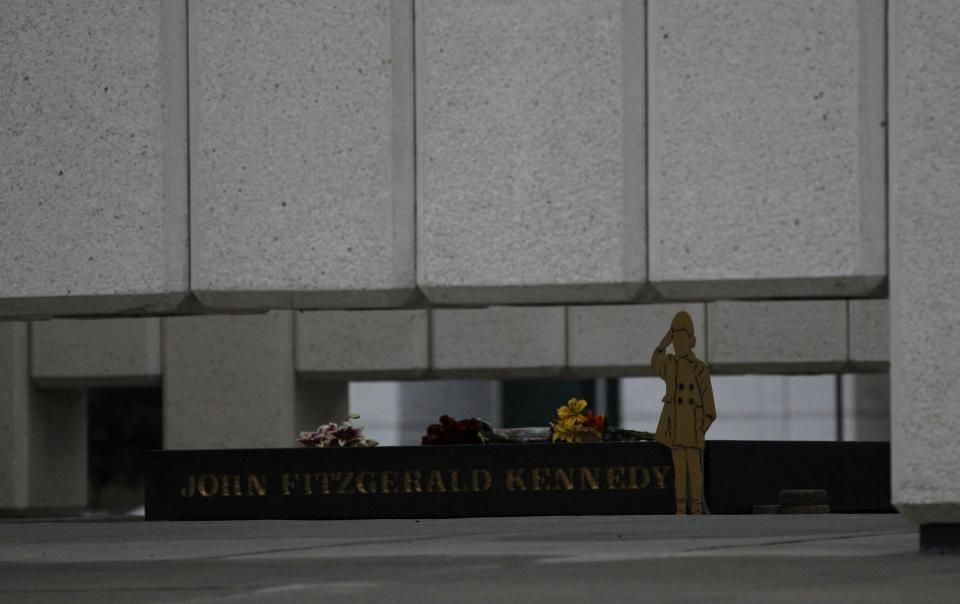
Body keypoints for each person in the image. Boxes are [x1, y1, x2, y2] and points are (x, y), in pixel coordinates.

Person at [651, 311, 716, 515]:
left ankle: (696, 507)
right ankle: (680, 506)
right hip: (676, 424)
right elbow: (655, 362)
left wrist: (702, 426)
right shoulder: (670, 364)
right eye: (676, 341)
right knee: (680, 471)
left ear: (692, 341)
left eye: (683, 341)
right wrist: (664, 341)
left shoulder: (700, 369)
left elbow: (709, 405)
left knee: (695, 472)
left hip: (694, 426)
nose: (679, 346)